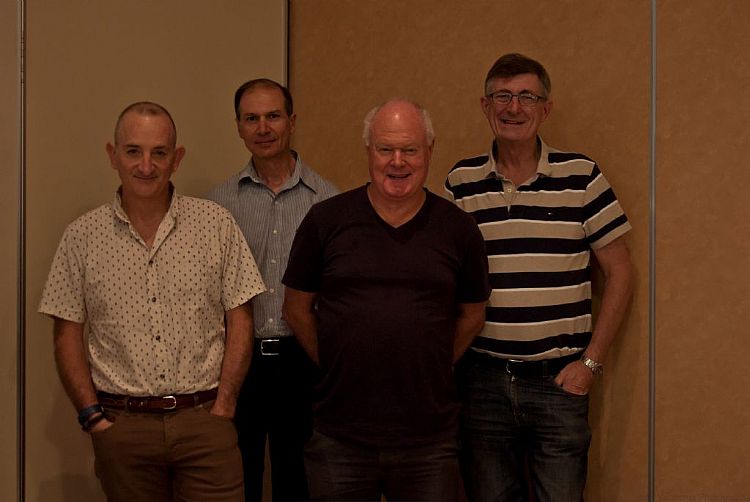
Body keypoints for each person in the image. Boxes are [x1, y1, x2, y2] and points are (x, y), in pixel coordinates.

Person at [39, 101, 266, 502]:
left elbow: (241, 318)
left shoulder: (215, 224)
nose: (146, 165)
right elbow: (67, 333)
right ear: (113, 155)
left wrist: (225, 405)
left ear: (176, 159)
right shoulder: (82, 237)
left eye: (159, 152)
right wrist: (93, 417)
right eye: (133, 151)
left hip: (205, 423)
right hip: (123, 428)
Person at [445, 53, 633, 501]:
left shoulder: (582, 177)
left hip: (559, 383)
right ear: (485, 106)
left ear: (546, 109)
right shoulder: (460, 183)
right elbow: (443, 280)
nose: (514, 108)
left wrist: (590, 364)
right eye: (502, 96)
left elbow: (621, 273)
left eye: (527, 96)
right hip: (483, 383)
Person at [282, 99, 491, 501]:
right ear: (368, 151)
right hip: (339, 434)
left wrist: (432, 361)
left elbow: (473, 315)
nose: (397, 162)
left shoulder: (459, 229)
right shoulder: (325, 221)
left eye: (410, 149)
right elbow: (296, 309)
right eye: (385, 149)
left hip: (429, 438)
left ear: (429, 150)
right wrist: (337, 361)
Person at [206, 78, 338, 502]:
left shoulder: (328, 201)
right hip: (237, 363)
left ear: (292, 122)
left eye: (273, 116)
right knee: (236, 478)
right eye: (251, 118)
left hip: (302, 361)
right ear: (238, 127)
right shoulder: (217, 205)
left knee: (297, 481)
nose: (263, 128)